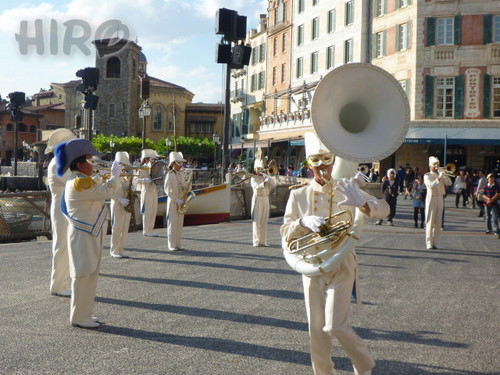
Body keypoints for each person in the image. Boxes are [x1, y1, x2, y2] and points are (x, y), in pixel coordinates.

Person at [281, 132, 389, 375]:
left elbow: (384, 209)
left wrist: (361, 202)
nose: (322, 166)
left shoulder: (345, 186)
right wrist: (302, 222)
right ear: (309, 164)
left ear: (333, 160)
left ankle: (364, 364)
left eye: (326, 159)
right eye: (316, 161)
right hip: (311, 265)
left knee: (335, 326)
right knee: (316, 330)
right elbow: (285, 233)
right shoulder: (297, 195)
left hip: (341, 264)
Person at [55, 138, 122, 328]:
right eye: (90, 160)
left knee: (91, 273)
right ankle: (78, 316)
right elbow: (103, 192)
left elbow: (96, 192)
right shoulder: (78, 182)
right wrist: (114, 177)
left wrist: (104, 177)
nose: (93, 164)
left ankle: (85, 313)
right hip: (83, 234)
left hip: (89, 233)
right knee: (83, 275)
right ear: (79, 163)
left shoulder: (82, 180)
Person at [45, 128, 76, 297]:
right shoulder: (57, 163)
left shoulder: (60, 162)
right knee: (61, 246)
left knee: (65, 245)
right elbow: (72, 181)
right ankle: (58, 285)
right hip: (61, 207)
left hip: (65, 206)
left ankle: (62, 282)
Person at [424, 156, 452, 250]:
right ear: (430, 166)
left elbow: (449, 183)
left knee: (438, 222)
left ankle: (437, 242)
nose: (436, 167)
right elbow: (430, 185)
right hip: (431, 198)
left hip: (440, 197)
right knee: (430, 221)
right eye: (434, 165)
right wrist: (439, 178)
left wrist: (445, 176)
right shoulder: (427, 175)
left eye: (437, 165)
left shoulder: (441, 174)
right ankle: (429, 242)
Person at [110, 151, 133, 259]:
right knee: (117, 228)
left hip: (126, 204)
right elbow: (110, 192)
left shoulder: (125, 177)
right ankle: (114, 250)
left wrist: (132, 189)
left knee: (124, 228)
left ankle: (121, 249)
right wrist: (120, 199)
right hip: (117, 204)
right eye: (121, 164)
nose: (123, 167)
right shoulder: (113, 176)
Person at [164, 151, 189, 251]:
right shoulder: (170, 174)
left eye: (181, 163)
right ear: (173, 163)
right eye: (178, 163)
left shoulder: (181, 174)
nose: (181, 165)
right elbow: (167, 190)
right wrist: (176, 199)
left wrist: (186, 187)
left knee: (179, 224)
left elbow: (183, 185)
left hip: (181, 201)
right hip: (173, 202)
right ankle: (171, 245)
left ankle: (178, 244)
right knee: (172, 224)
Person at [250, 158, 276, 247]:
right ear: (255, 169)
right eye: (258, 169)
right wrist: (264, 182)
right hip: (258, 199)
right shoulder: (253, 178)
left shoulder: (266, 176)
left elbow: (274, 185)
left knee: (264, 220)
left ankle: (263, 241)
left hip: (265, 198)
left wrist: (270, 178)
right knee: (257, 220)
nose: (260, 171)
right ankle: (256, 241)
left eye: (261, 169)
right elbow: (256, 187)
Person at [135, 149, 159, 237]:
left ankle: (151, 229)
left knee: (153, 211)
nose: (153, 161)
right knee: (147, 211)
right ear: (146, 159)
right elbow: (135, 180)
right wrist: (144, 180)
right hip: (146, 191)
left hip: (154, 191)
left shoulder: (156, 169)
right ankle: (146, 230)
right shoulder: (142, 168)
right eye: (151, 159)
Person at [482, 173, 500, 238]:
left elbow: (497, 194)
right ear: (488, 179)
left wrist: (491, 200)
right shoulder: (485, 186)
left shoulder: (496, 186)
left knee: (495, 216)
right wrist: (488, 199)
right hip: (486, 203)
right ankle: (488, 229)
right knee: (487, 216)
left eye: (492, 178)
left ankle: (496, 230)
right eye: (490, 178)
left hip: (494, 203)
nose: (491, 179)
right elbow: (483, 194)